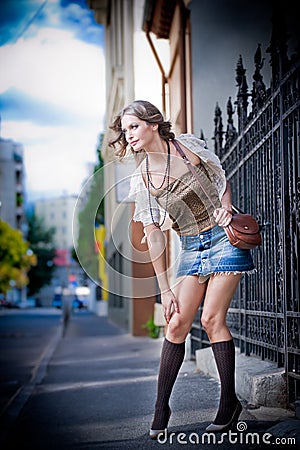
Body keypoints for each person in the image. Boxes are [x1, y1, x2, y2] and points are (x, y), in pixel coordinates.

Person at [109, 100, 255, 439]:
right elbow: (154, 235)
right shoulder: (142, 179)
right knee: (175, 325)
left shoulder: (187, 147)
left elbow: (221, 181)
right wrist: (165, 288)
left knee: (211, 320)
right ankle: (162, 407)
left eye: (133, 126)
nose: (128, 134)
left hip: (223, 239)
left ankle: (227, 402)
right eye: (125, 129)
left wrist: (226, 205)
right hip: (191, 247)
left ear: (153, 124)